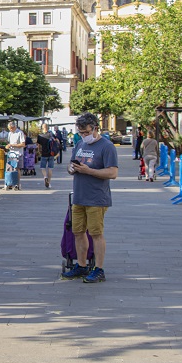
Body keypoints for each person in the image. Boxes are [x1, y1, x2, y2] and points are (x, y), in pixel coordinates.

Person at [62, 112, 119, 284]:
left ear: (95, 128)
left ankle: (99, 269)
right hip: (79, 196)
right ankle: (81, 265)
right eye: (80, 132)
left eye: (86, 132)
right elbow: (71, 164)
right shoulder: (79, 144)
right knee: (78, 232)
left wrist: (90, 171)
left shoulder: (107, 146)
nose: (83, 136)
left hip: (96, 198)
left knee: (96, 233)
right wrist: (71, 168)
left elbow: (113, 172)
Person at [4, 121, 25, 190]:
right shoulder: (10, 133)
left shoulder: (20, 133)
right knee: (10, 168)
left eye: (11, 128)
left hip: (18, 154)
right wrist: (8, 146)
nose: (10, 130)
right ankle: (10, 183)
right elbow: (9, 142)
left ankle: (17, 184)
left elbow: (23, 144)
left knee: (17, 169)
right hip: (11, 153)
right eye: (9, 128)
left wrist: (12, 145)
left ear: (14, 127)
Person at [37, 124, 58, 189]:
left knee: (42, 167)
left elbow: (38, 145)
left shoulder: (40, 136)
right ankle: (48, 183)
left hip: (44, 153)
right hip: (51, 154)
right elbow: (57, 141)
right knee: (50, 168)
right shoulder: (51, 135)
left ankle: (45, 176)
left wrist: (39, 152)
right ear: (48, 128)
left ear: (42, 128)